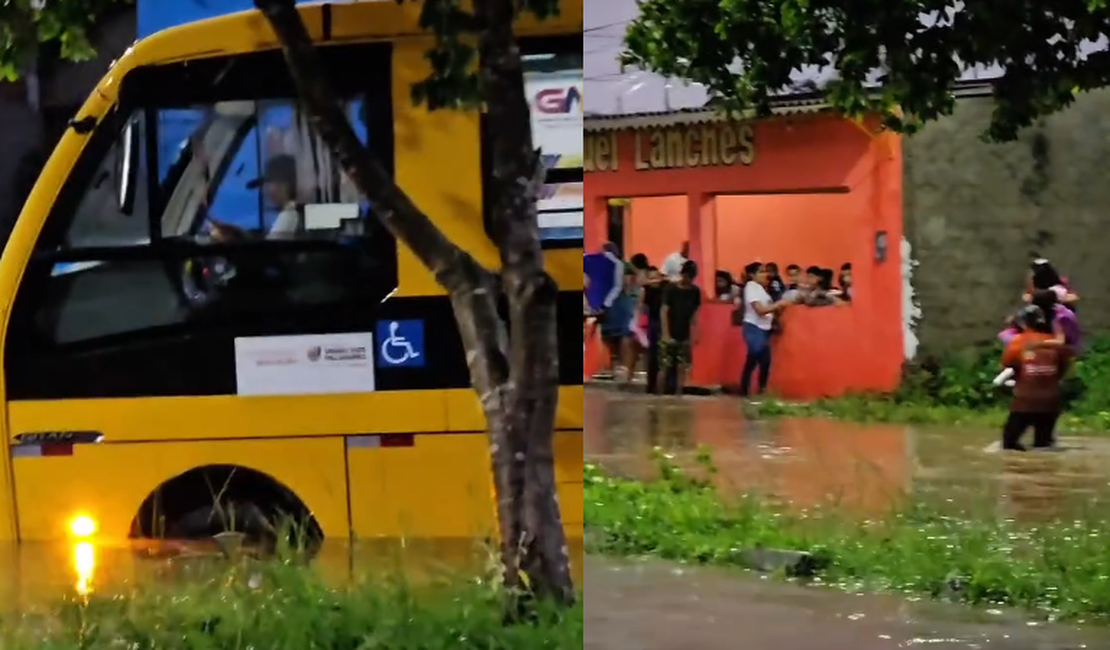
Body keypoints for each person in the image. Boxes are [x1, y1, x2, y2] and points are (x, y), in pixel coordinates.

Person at [999, 305, 1074, 451]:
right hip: (1051, 401)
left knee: (1009, 444)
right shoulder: (1056, 343)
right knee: (1043, 446)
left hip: (1025, 401)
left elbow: (1006, 366)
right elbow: (1064, 368)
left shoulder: (1017, 342)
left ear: (1023, 322)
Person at [738, 262, 789, 396]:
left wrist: (777, 310)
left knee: (754, 360)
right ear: (751, 275)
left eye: (765, 271)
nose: (765, 274)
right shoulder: (751, 287)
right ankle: (760, 390)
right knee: (763, 359)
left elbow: (770, 310)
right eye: (760, 272)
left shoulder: (762, 289)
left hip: (763, 328)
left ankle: (746, 390)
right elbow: (760, 310)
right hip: (754, 327)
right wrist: (779, 304)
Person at [659, 260, 701, 396]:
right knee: (664, 366)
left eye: (690, 277)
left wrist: (695, 333)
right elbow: (664, 311)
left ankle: (678, 394)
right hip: (670, 331)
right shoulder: (671, 289)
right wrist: (666, 334)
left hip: (684, 333)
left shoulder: (695, 291)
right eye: (685, 276)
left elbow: (694, 314)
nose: (687, 279)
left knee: (682, 366)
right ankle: (659, 394)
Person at [640, 266, 667, 393]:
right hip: (652, 324)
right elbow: (642, 308)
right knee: (652, 357)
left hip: (666, 324)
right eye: (651, 278)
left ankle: (664, 386)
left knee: (664, 357)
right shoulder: (646, 290)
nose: (654, 281)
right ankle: (651, 386)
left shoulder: (666, 288)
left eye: (656, 277)